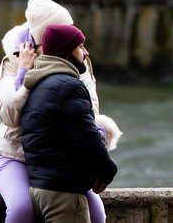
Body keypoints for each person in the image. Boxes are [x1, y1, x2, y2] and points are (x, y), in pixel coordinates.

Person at [0, 0, 121, 223]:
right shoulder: (14, 59)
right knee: (22, 210)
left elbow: (89, 114)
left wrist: (97, 144)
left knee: (97, 213)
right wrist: (24, 73)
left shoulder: (78, 62)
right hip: (14, 158)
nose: (67, 32)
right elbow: (9, 117)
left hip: (59, 164)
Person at [21, 24, 118, 222]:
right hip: (63, 194)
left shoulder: (39, 84)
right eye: (80, 46)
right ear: (66, 50)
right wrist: (108, 170)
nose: (86, 52)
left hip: (39, 189)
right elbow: (86, 138)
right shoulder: (68, 86)